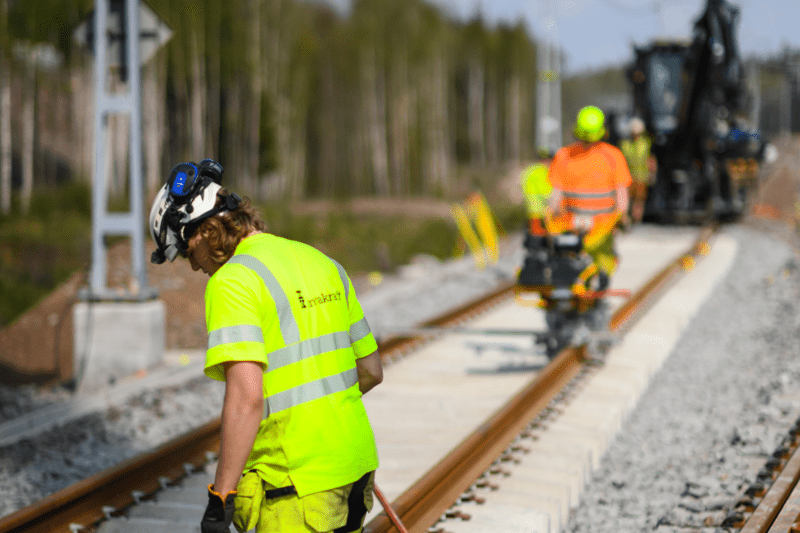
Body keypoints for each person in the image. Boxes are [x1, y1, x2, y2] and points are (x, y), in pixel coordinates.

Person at [148, 159, 383, 533]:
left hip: (297, 489)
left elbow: (246, 400)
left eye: (187, 252)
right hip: (355, 469)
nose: (193, 267)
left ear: (204, 231)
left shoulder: (232, 281)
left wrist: (220, 499)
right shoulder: (321, 261)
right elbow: (371, 370)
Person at [547, 106, 632, 289]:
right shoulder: (613, 156)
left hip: (571, 224)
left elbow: (555, 197)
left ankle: (571, 283)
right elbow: (622, 195)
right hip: (603, 225)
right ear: (602, 131)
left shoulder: (564, 155)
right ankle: (599, 282)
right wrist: (622, 217)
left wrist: (552, 220)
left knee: (568, 258)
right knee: (603, 259)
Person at [619, 117, 656, 224]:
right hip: (627, 177)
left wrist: (652, 173)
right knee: (627, 199)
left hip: (642, 176)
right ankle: (626, 219)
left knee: (639, 200)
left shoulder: (646, 143)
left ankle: (636, 220)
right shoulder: (625, 144)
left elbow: (651, 159)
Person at [519, 146, 555, 237]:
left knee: (534, 238)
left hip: (532, 211)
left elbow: (523, 186)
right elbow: (548, 191)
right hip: (546, 211)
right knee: (552, 236)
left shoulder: (530, 170)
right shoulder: (546, 171)